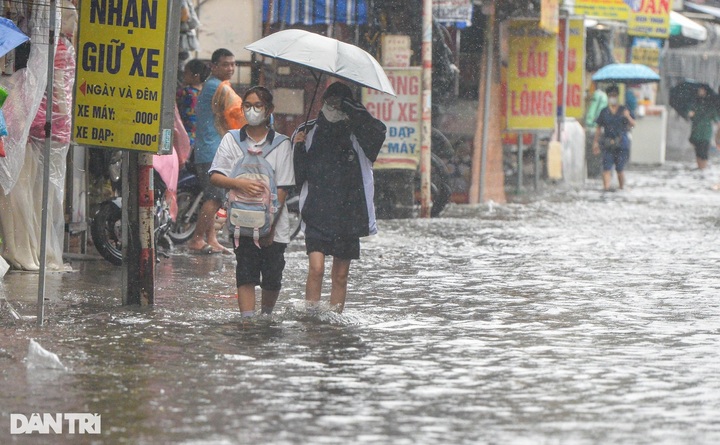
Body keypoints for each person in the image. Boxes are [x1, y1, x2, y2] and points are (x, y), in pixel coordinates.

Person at [292, 82, 387, 313]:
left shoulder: (361, 134)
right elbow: (297, 176)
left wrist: (352, 110)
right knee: (316, 268)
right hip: (316, 211)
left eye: (339, 103)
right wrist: (298, 148)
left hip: (349, 214)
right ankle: (311, 316)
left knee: (341, 275)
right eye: (330, 102)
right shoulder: (308, 132)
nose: (333, 108)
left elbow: (379, 130)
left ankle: (335, 320)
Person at [209, 86, 294, 318]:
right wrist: (239, 184)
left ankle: (266, 317)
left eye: (258, 106)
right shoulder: (232, 140)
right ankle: (248, 323)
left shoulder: (282, 144)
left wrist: (270, 227)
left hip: (275, 227)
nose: (252, 110)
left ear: (269, 110)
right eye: (247, 105)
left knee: (272, 276)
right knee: (245, 272)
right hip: (241, 222)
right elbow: (215, 175)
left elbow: (283, 188)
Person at [187, 48, 236, 254]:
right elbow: (241, 112)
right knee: (214, 197)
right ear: (214, 66)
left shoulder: (216, 86)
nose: (231, 68)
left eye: (233, 64)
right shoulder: (218, 88)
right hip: (211, 151)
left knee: (216, 196)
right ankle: (197, 239)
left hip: (213, 149)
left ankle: (211, 238)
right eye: (226, 64)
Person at [592, 84, 636, 192]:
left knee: (619, 168)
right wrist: (595, 143)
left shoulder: (624, 110)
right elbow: (598, 127)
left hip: (621, 143)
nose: (613, 97)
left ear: (618, 96)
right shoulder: (604, 111)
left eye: (614, 95)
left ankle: (621, 187)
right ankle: (606, 188)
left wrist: (627, 116)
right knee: (606, 167)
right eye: (610, 95)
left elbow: (633, 124)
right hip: (608, 142)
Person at [176, 59, 210, 149]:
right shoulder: (206, 92)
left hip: (185, 133)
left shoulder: (185, 92)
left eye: (186, 73)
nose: (183, 76)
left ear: (195, 76)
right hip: (200, 136)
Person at [686, 85, 719, 171]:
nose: (700, 92)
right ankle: (700, 167)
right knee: (698, 151)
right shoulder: (695, 103)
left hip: (705, 133)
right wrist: (690, 114)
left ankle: (703, 168)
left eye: (702, 90)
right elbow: (691, 116)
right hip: (696, 131)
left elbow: (716, 118)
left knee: (703, 152)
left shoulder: (710, 105)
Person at [584, 86, 608, 178]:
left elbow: (591, 114)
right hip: (599, 130)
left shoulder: (598, 96)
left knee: (592, 156)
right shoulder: (603, 97)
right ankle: (597, 174)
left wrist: (588, 124)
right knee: (598, 156)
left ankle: (592, 174)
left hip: (592, 129)